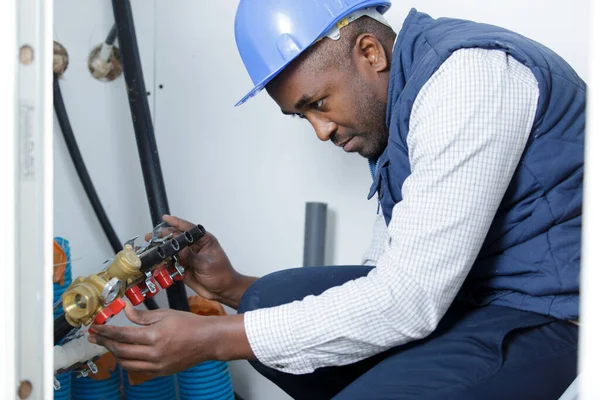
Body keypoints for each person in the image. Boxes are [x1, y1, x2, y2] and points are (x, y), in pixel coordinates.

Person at [88, 1, 584, 398]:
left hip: (547, 318)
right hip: (466, 302)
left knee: (261, 329)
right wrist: (232, 288)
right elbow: (387, 271)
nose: (320, 131)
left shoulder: (467, 78)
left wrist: (214, 340)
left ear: (370, 52)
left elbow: (408, 300)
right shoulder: (404, 102)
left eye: (317, 104)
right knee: (264, 300)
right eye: (301, 117)